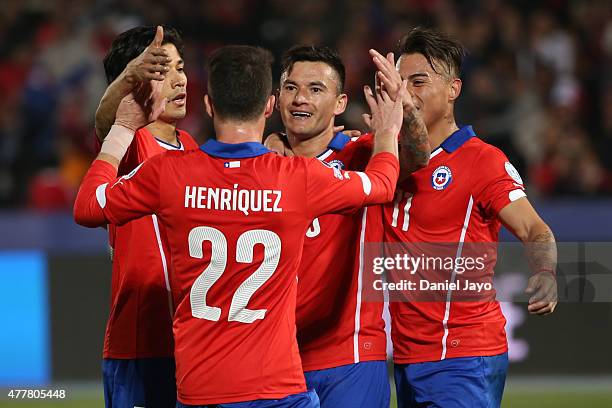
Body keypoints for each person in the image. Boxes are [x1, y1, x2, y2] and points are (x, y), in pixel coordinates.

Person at [74, 43, 404, 407]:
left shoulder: (171, 174)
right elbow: (383, 185)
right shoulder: (297, 177)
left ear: (209, 105)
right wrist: (387, 132)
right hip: (274, 388)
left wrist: (122, 129)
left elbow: (88, 206)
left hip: (199, 389)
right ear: (269, 105)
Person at [369, 27, 558, 408]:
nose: (406, 92)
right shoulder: (386, 157)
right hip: (406, 356)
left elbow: (535, 229)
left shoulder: (482, 161)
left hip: (463, 354)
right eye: (400, 82)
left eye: (418, 81)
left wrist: (545, 272)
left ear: (453, 89)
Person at [267, 45, 429, 407]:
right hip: (276, 359)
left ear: (340, 103)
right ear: (277, 99)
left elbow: (418, 156)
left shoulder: (362, 154)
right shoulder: (261, 166)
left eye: (315, 89)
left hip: (351, 357)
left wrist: (404, 109)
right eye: (291, 88)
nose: (300, 99)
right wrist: (270, 143)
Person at [95, 25, 197, 408]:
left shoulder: (191, 146)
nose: (179, 80)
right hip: (140, 343)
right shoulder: (126, 141)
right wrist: (129, 78)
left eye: (181, 68)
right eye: (161, 71)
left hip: (192, 340)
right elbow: (104, 119)